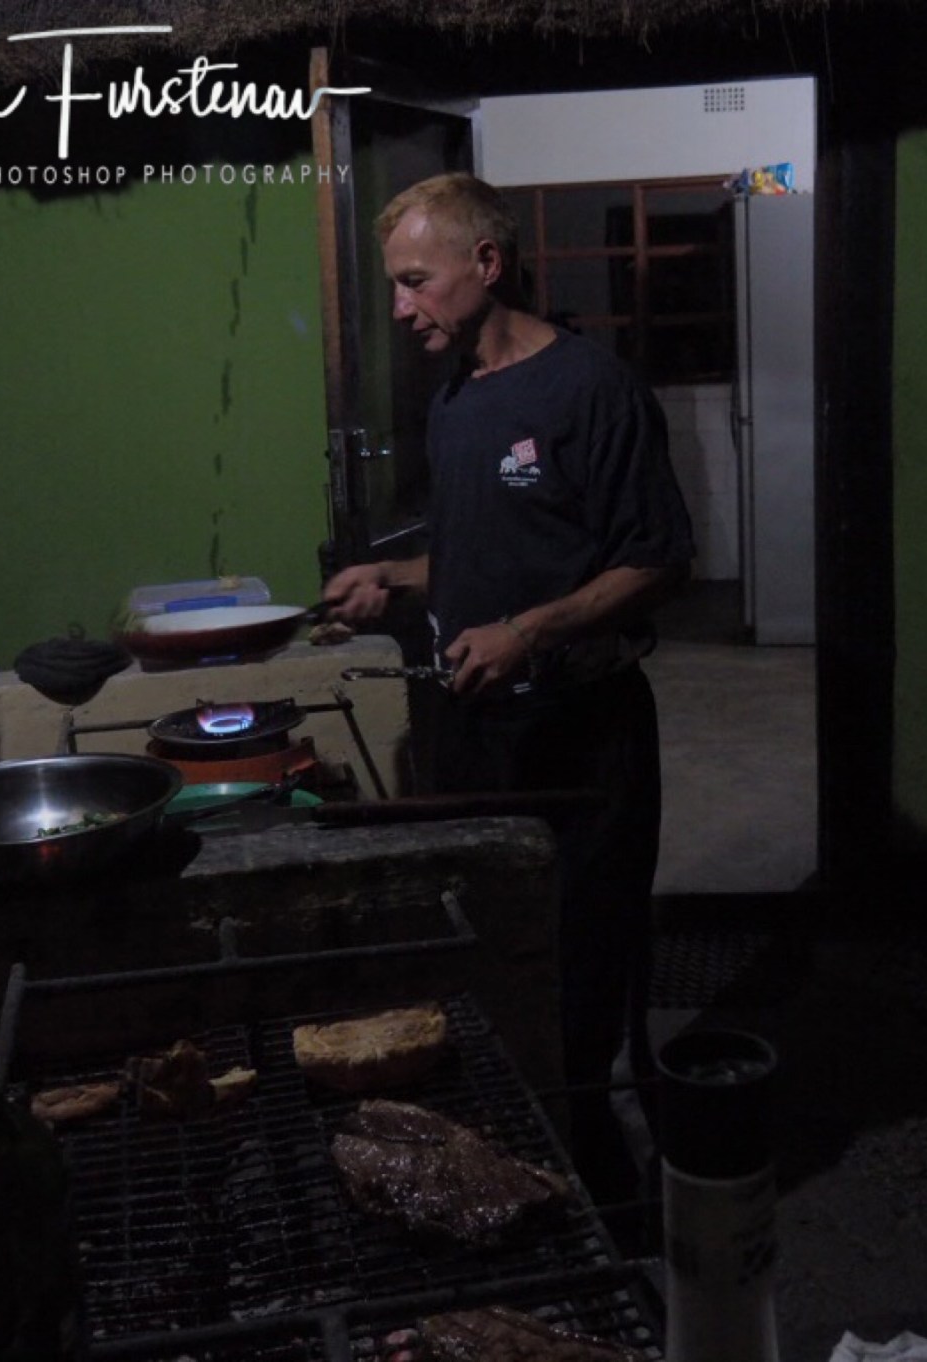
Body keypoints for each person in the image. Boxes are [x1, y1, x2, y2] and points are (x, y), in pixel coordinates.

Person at [324, 173, 694, 1198]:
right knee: (491, 948)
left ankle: (605, 1186)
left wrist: (527, 633)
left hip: (581, 728)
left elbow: (657, 558)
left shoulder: (590, 389)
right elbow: (486, 551)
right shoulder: (456, 403)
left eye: (415, 282)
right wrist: (394, 578)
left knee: (581, 962)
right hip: (477, 726)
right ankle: (513, 1166)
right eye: (395, 285)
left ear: (485, 265)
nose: (401, 308)